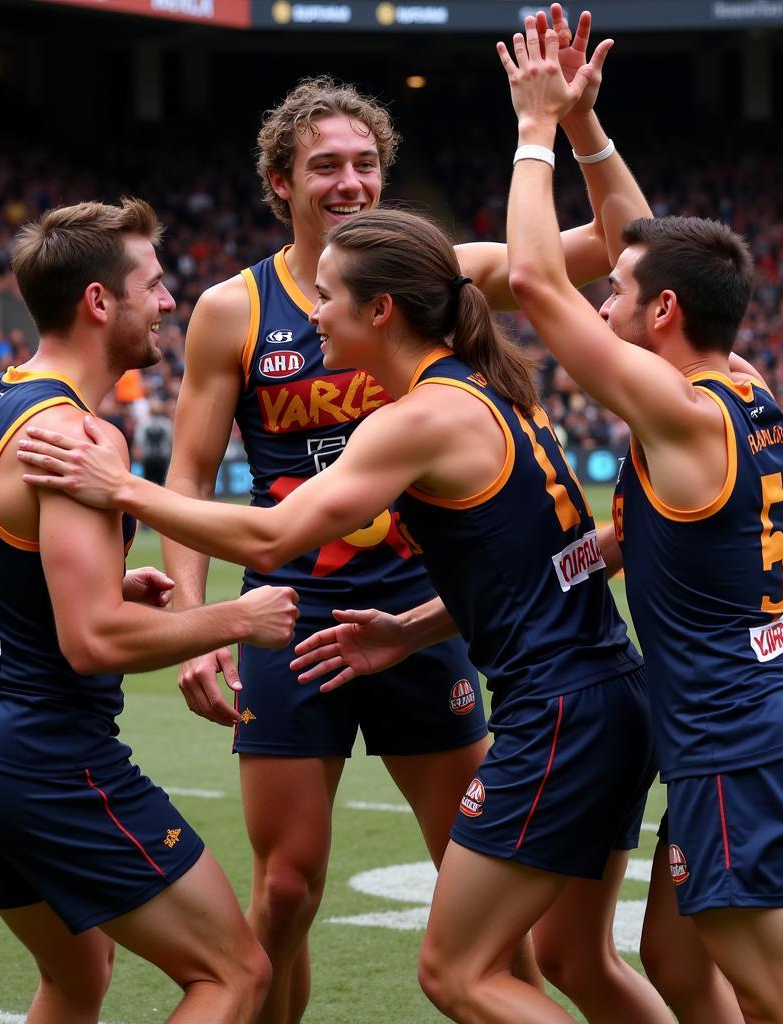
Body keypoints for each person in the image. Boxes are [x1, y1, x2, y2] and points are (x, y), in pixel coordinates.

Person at [18, 205, 664, 1024]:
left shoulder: (418, 416)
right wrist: (409, 630)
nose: (312, 313)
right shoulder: (487, 388)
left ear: (380, 311)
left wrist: (122, 490)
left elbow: (274, 533)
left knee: (459, 973)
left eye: (327, 298)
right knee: (578, 958)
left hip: (560, 713)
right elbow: (546, 567)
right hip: (607, 691)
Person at [159, 48, 654, 1021]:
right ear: (279, 183)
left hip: (427, 610)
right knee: (288, 887)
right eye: (324, 165)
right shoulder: (231, 310)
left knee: (482, 920)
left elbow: (619, 241)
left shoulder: (427, 273)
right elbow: (189, 468)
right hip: (295, 614)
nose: (349, 181)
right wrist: (194, 617)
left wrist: (578, 126)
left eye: (363, 163)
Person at [499, 19, 783, 1024]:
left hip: (740, 741)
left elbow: (532, 280)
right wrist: (587, 129)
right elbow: (639, 250)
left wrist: (532, 133)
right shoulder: (739, 385)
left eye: (616, 293)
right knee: (676, 960)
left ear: (661, 317)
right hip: (772, 723)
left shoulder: (679, 411)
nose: (602, 300)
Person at [0, 197, 301, 1024]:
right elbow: (92, 641)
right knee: (233, 974)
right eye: (154, 286)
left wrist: (111, 581)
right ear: (100, 302)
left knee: (80, 974)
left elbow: (6, 572)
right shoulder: (82, 437)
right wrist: (240, 618)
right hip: (41, 757)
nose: (170, 303)